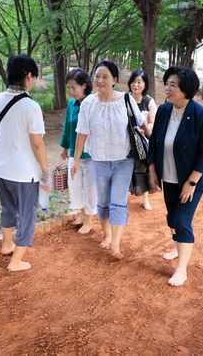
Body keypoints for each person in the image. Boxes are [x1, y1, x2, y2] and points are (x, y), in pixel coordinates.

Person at [147, 66, 203, 286]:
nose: (167, 88)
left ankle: (182, 269)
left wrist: (192, 182)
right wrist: (152, 169)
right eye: (166, 83)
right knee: (172, 217)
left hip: (191, 179)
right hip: (168, 175)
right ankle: (178, 247)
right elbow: (154, 141)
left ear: (186, 89)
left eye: (172, 85)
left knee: (182, 220)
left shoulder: (200, 115)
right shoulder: (164, 110)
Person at [71, 60, 142, 260]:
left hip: (123, 159)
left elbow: (140, 125)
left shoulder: (126, 100)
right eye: (97, 76)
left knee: (118, 202)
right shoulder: (88, 103)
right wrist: (76, 160)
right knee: (103, 203)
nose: (100, 81)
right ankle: (107, 235)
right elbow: (82, 133)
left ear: (114, 80)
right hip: (99, 160)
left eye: (105, 77)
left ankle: (116, 246)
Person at [0, 54, 51, 272]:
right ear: (28, 76)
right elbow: (37, 144)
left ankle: (7, 244)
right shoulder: (30, 106)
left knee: (7, 206)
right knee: (26, 215)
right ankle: (16, 261)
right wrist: (46, 172)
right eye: (33, 76)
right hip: (22, 172)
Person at [60, 68, 97, 234]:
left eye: (74, 87)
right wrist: (65, 146)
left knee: (90, 187)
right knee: (75, 185)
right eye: (69, 88)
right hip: (74, 153)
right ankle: (81, 214)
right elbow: (67, 126)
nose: (71, 91)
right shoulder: (72, 104)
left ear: (84, 86)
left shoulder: (94, 102)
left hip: (90, 155)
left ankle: (89, 220)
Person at [127, 70, 157, 210]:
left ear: (145, 84)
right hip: (126, 141)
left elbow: (152, 123)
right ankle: (123, 199)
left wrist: (143, 130)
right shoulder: (125, 99)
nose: (135, 85)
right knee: (125, 169)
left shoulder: (149, 101)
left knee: (143, 169)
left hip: (143, 141)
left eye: (139, 82)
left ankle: (145, 199)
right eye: (133, 81)